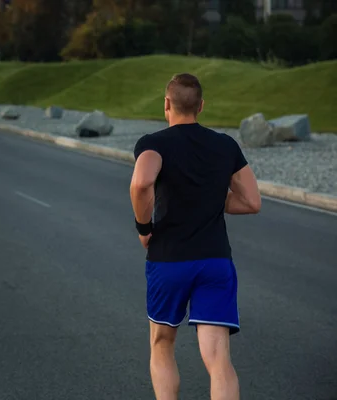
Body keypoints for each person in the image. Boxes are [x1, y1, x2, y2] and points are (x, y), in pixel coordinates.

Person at [129, 73, 261, 400]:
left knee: (162, 343)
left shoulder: (154, 143)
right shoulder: (225, 145)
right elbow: (251, 201)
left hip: (169, 259)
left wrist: (144, 228)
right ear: (201, 106)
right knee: (218, 359)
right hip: (215, 260)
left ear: (166, 104)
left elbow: (141, 183)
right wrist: (210, 197)